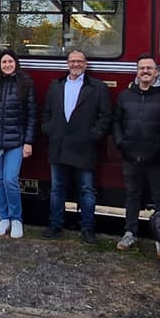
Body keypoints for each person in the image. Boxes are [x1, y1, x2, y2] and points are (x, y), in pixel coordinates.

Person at [41, 49, 112, 244]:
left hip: (84, 147)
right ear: (67, 64)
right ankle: (55, 225)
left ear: (86, 64)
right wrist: (50, 130)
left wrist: (93, 136)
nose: (75, 65)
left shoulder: (97, 88)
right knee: (56, 189)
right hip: (59, 145)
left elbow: (105, 117)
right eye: (72, 61)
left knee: (86, 190)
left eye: (79, 61)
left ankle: (87, 228)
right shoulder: (56, 86)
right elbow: (46, 113)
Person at [112, 54, 160, 254]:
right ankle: (130, 232)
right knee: (132, 195)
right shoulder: (125, 95)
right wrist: (121, 142)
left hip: (157, 157)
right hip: (131, 156)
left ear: (157, 72)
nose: (145, 72)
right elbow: (116, 122)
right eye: (142, 68)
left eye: (149, 68)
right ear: (137, 72)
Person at [0, 50, 36, 239]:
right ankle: (3, 219)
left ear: (16, 63)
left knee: (11, 180)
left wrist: (28, 142)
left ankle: (16, 219)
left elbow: (32, 115)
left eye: (10, 61)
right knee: (0, 181)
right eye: (4, 62)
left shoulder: (26, 84)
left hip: (15, 142)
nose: (7, 65)